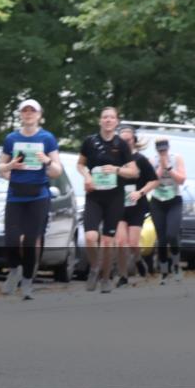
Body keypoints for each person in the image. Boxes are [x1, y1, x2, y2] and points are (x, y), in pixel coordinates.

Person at [0, 99, 62, 301]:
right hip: (15, 194)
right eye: (25, 111)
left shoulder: (47, 138)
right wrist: (10, 167)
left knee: (31, 240)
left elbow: (57, 170)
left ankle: (27, 281)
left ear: (39, 115)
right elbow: (0, 167)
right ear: (20, 115)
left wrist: (47, 161)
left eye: (32, 111)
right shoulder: (11, 138)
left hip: (38, 196)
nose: (28, 114)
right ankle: (14, 269)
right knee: (11, 239)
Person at [77, 107, 138, 293]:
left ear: (116, 122)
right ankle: (95, 267)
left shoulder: (121, 145)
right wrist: (87, 176)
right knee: (90, 237)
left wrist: (117, 169)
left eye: (112, 117)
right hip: (94, 196)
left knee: (107, 241)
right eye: (105, 117)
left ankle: (105, 278)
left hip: (114, 197)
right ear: (100, 121)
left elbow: (133, 171)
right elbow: (80, 164)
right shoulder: (90, 141)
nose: (108, 120)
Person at [115, 125, 159, 288]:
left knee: (133, 242)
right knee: (120, 242)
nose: (125, 143)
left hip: (136, 205)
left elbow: (154, 181)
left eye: (128, 140)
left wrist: (140, 192)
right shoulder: (115, 160)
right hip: (119, 205)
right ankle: (123, 275)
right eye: (121, 140)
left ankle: (138, 259)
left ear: (133, 141)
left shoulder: (140, 160)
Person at [150, 137, 186, 284]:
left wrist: (169, 168)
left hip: (174, 200)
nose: (162, 152)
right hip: (158, 201)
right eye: (160, 150)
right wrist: (161, 167)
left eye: (164, 149)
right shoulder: (152, 161)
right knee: (162, 239)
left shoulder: (176, 158)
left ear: (168, 148)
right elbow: (152, 181)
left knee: (172, 234)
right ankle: (164, 271)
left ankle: (176, 264)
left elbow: (182, 179)